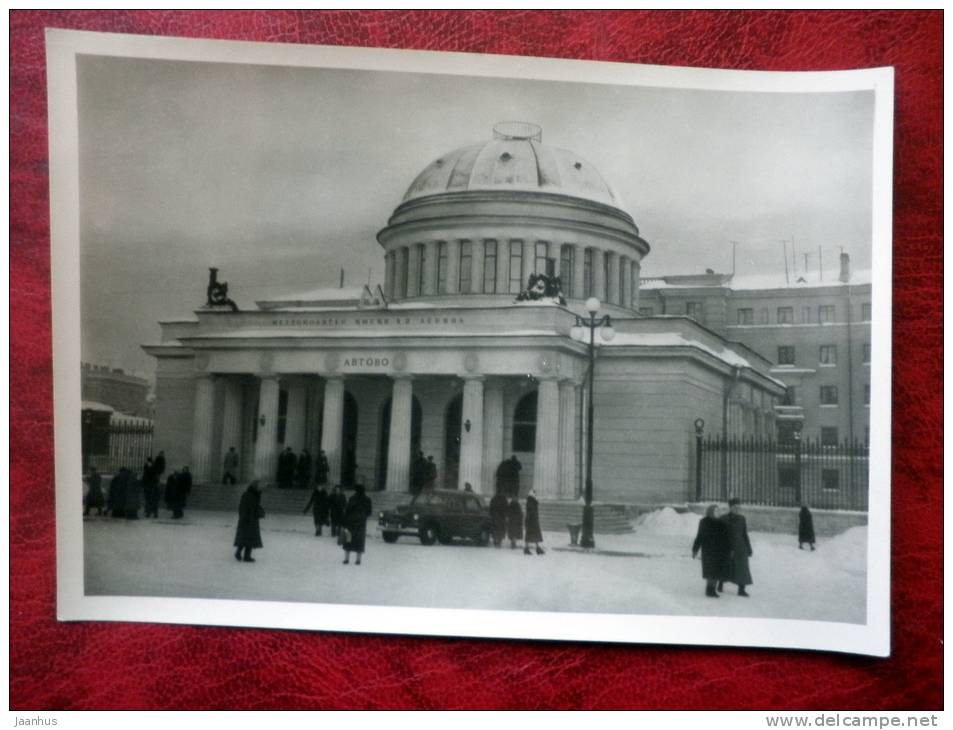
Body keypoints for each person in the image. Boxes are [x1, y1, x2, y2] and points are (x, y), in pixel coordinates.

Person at [692, 504, 730, 598]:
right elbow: (699, 536)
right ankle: (709, 589)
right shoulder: (704, 522)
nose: (717, 513)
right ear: (710, 512)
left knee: (717, 571)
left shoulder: (722, 523)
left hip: (719, 551)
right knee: (710, 571)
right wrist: (695, 549)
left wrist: (728, 549)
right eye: (715, 511)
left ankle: (712, 589)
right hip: (708, 551)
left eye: (718, 511)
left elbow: (726, 538)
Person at [719, 497, 753, 597]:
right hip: (728, 547)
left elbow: (744, 534)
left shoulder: (742, 519)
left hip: (741, 547)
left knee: (743, 568)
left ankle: (741, 590)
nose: (737, 509)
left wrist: (749, 548)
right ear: (730, 507)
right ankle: (720, 583)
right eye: (735, 507)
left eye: (738, 507)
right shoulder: (724, 518)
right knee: (726, 567)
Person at [341, 484, 373, 565]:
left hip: (350, 522)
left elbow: (347, 510)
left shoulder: (352, 498)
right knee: (359, 541)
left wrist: (344, 521)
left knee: (348, 539)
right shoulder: (367, 499)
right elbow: (369, 512)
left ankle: (346, 559)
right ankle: (358, 560)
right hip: (361, 523)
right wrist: (363, 516)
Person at [234, 481, 264, 562]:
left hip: (253, 520)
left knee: (250, 538)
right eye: (258, 487)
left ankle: (247, 556)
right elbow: (242, 507)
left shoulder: (256, 495)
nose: (260, 488)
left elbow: (256, 506)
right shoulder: (247, 495)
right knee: (245, 538)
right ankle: (239, 553)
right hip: (246, 520)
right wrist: (244, 517)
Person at [523, 489, 544, 555]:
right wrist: (531, 519)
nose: (536, 494)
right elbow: (531, 512)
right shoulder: (531, 501)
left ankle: (536, 548)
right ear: (532, 494)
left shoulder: (532, 501)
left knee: (533, 535)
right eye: (535, 493)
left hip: (532, 521)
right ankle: (530, 548)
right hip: (532, 521)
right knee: (532, 535)